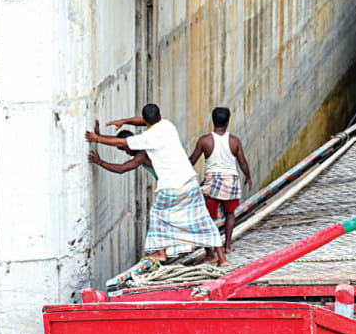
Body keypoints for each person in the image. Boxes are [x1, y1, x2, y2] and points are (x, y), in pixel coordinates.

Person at [86, 103, 223, 264]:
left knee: (157, 214)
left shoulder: (143, 147)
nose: (127, 153)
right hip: (190, 181)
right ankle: (218, 257)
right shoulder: (167, 125)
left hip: (173, 186)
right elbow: (132, 132)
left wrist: (98, 149)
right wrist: (123, 122)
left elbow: (122, 161)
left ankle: (160, 252)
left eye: (125, 150)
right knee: (200, 218)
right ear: (159, 117)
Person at [189, 107, 252, 258]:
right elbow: (242, 162)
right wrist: (248, 176)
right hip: (230, 182)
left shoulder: (205, 140)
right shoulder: (234, 141)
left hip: (212, 183)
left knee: (207, 218)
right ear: (227, 122)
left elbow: (192, 160)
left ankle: (210, 252)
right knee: (230, 214)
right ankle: (228, 246)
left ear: (213, 120)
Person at [87, 124, 157, 180]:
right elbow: (118, 141)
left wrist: (100, 162)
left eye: (125, 149)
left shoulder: (142, 154)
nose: (127, 153)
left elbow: (121, 169)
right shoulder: (138, 141)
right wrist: (100, 137)